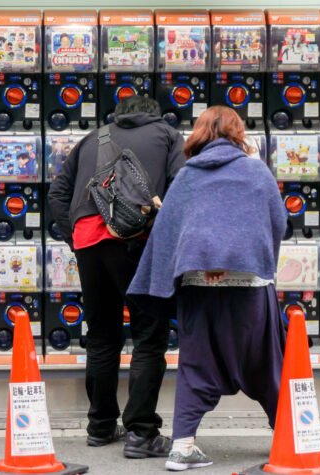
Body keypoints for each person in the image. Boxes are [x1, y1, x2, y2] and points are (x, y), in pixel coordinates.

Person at [128, 106, 286, 471]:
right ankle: (289, 436)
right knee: (265, 363)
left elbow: (170, 229)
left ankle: (182, 447)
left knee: (195, 366)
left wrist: (200, 259)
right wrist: (243, 257)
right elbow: (277, 221)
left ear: (198, 134)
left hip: (197, 287)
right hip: (249, 287)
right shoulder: (255, 172)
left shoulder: (188, 175)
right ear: (238, 133)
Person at [47, 95, 185, 459]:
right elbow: (181, 189)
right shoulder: (168, 135)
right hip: (135, 242)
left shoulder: (92, 138)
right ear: (153, 114)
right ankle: (141, 432)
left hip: (88, 243)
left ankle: (101, 426)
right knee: (149, 335)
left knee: (103, 336)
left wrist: (75, 235)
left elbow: (58, 193)